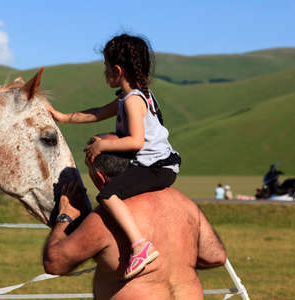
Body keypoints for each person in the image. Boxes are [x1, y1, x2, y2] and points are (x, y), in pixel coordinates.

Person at [46, 33, 181, 279]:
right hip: (156, 163)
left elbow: (136, 141)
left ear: (117, 70)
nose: (104, 72)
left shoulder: (132, 101)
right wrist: (63, 117)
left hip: (156, 167)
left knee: (108, 195)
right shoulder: (131, 96)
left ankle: (140, 246)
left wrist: (102, 147)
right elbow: (97, 113)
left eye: (106, 67)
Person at [43, 151, 227, 300]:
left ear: (99, 176)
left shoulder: (104, 219)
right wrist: (175, 263)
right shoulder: (183, 203)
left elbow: (55, 263)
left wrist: (65, 216)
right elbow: (215, 256)